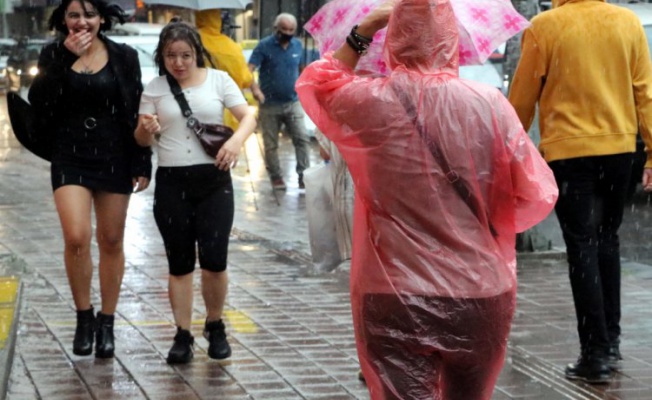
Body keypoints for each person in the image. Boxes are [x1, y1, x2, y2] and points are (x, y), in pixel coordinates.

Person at [296, 0, 558, 398]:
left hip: (392, 292)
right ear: (451, 40)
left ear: (393, 41)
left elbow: (318, 84)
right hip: (479, 292)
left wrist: (365, 28)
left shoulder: (369, 102)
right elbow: (536, 193)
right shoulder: (489, 105)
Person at [508, 0, 652, 384]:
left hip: (569, 154)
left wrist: (508, 150)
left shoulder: (545, 26)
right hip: (620, 150)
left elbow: (521, 100)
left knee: (581, 246)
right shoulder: (626, 22)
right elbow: (645, 93)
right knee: (608, 239)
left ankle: (595, 353)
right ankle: (611, 341)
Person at [28, 0, 151, 359]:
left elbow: (135, 109)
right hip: (69, 154)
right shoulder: (52, 53)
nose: (82, 22)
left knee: (111, 239)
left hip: (115, 154)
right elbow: (40, 102)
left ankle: (107, 321)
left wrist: (142, 159)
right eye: (74, 15)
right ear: (63, 20)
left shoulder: (123, 56)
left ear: (101, 19)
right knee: (77, 236)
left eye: (89, 15)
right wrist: (63, 60)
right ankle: (84, 316)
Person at [135, 20, 256, 364]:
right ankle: (183, 333)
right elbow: (141, 139)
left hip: (214, 180)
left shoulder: (218, 79)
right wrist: (147, 129)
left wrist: (234, 142)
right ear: (162, 55)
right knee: (179, 264)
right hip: (172, 182)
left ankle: (215, 325)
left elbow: (248, 117)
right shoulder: (155, 88)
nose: (179, 62)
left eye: (186, 55)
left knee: (215, 260)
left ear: (197, 53)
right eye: (171, 55)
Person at [248, 13, 311, 190]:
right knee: (270, 145)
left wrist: (304, 88)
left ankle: (303, 176)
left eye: (291, 30)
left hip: (293, 102)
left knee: (302, 139)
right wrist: (255, 90)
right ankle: (276, 177)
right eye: (284, 30)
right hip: (269, 104)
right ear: (276, 29)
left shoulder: (298, 45)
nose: (288, 33)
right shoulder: (264, 46)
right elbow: (249, 70)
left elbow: (302, 69)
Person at [195, 8, 254, 131]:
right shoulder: (231, 47)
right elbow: (245, 79)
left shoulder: (190, 41)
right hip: (226, 115)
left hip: (196, 110)